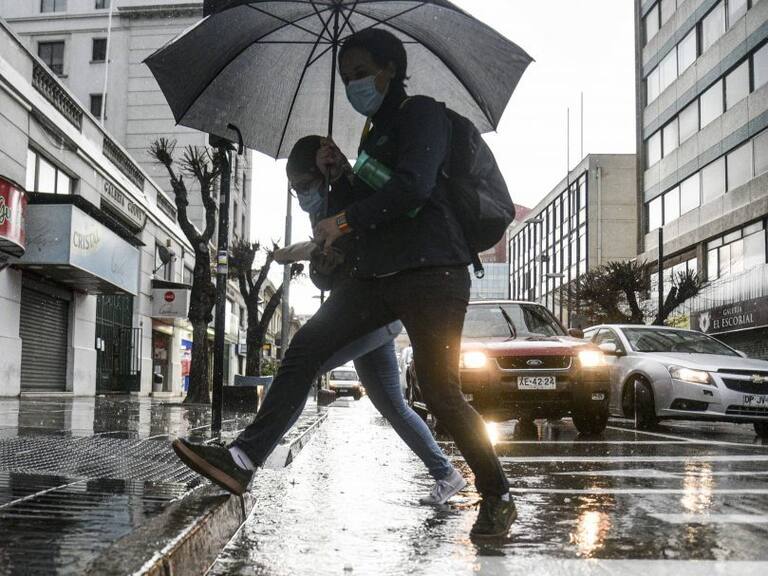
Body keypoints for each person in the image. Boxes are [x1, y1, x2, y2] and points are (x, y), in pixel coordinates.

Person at [172, 28, 514, 538]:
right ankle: (243, 459)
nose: (354, 84)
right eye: (347, 76)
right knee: (305, 349)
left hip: (433, 271)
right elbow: (370, 204)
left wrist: (345, 219)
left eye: (361, 73)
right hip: (376, 276)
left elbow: (414, 187)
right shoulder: (372, 134)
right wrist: (341, 176)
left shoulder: (421, 114)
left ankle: (498, 494)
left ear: (390, 69)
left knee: (440, 391)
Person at [275, 134, 466, 506]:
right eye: (295, 189)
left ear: (323, 167)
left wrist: (311, 250)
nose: (302, 195)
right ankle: (446, 474)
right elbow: (326, 277)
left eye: (305, 185)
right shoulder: (321, 210)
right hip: (362, 315)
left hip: (374, 313)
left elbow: (377, 236)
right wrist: (323, 266)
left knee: (302, 364)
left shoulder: (357, 187)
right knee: (393, 405)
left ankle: (249, 453)